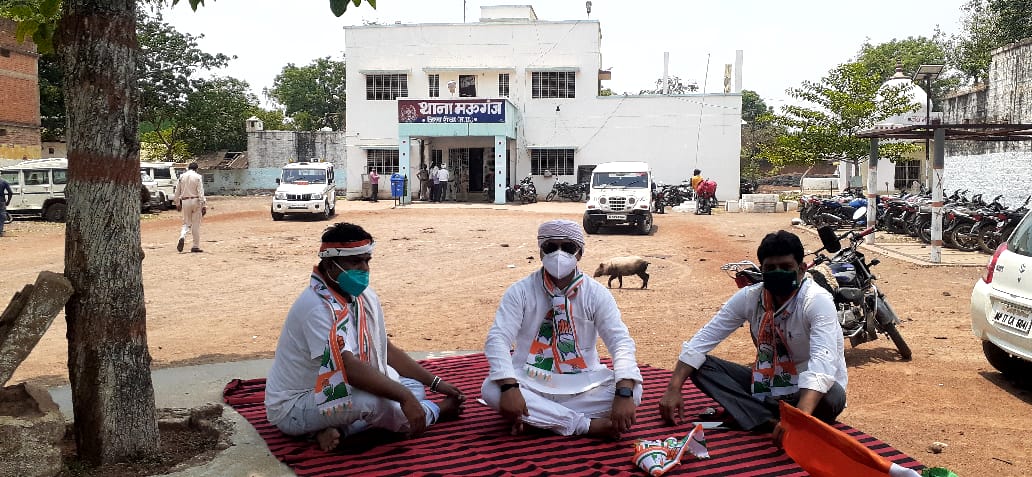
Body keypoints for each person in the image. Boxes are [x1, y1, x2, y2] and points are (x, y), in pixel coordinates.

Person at [265, 222, 466, 451]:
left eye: (366, 261)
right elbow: (347, 368)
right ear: (331, 265)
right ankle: (437, 411)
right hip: (297, 404)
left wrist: (435, 383)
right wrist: (409, 399)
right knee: (382, 402)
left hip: (341, 389)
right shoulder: (316, 307)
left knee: (410, 387)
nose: (364, 269)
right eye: (355, 262)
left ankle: (338, 431)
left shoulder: (365, 296)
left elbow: (385, 349)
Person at [659, 230, 847, 447]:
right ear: (762, 270)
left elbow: (821, 367)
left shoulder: (816, 301)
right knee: (701, 367)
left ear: (802, 269)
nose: (778, 273)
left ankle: (760, 416)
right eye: (770, 268)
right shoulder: (751, 297)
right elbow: (701, 341)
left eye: (786, 268)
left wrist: (798, 419)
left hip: (808, 396)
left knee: (832, 392)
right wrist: (673, 388)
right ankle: (769, 421)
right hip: (767, 385)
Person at [482, 219, 643, 439]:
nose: (559, 254)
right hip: (529, 381)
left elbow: (620, 341)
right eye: (550, 247)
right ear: (540, 252)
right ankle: (583, 426)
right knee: (491, 390)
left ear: (579, 253)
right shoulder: (519, 291)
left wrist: (623, 391)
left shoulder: (596, 294)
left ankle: (541, 421)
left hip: (584, 383)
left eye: (568, 247)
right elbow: (498, 339)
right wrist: (510, 387)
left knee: (633, 392)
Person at [173, 162, 206, 253]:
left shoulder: (181, 177)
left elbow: (177, 191)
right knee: (195, 224)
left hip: (185, 201)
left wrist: (177, 203)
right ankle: (195, 246)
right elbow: (200, 192)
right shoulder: (198, 177)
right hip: (195, 201)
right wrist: (203, 205)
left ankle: (182, 236)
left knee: (186, 222)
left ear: (188, 168)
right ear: (196, 169)